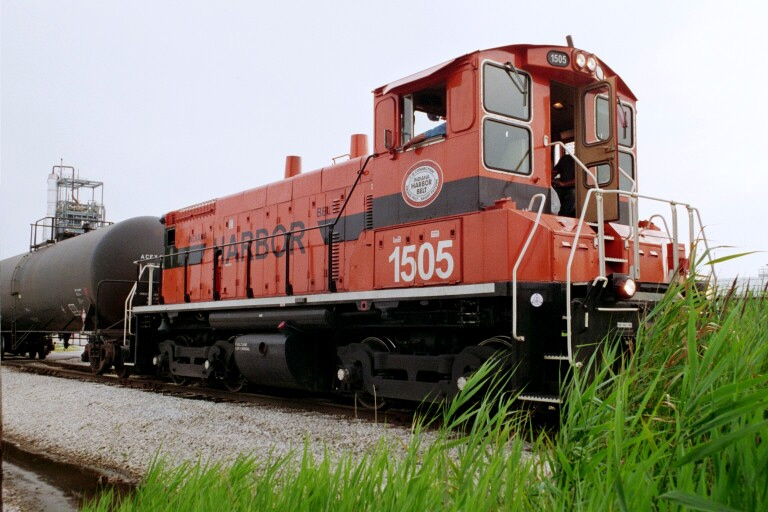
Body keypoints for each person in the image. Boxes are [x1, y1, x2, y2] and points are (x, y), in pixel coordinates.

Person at [552, 153, 576, 217]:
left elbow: (580, 179)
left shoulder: (582, 161)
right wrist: (549, 178)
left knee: (573, 195)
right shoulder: (565, 158)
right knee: (552, 193)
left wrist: (563, 184)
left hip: (575, 188)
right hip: (561, 188)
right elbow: (555, 171)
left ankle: (562, 216)